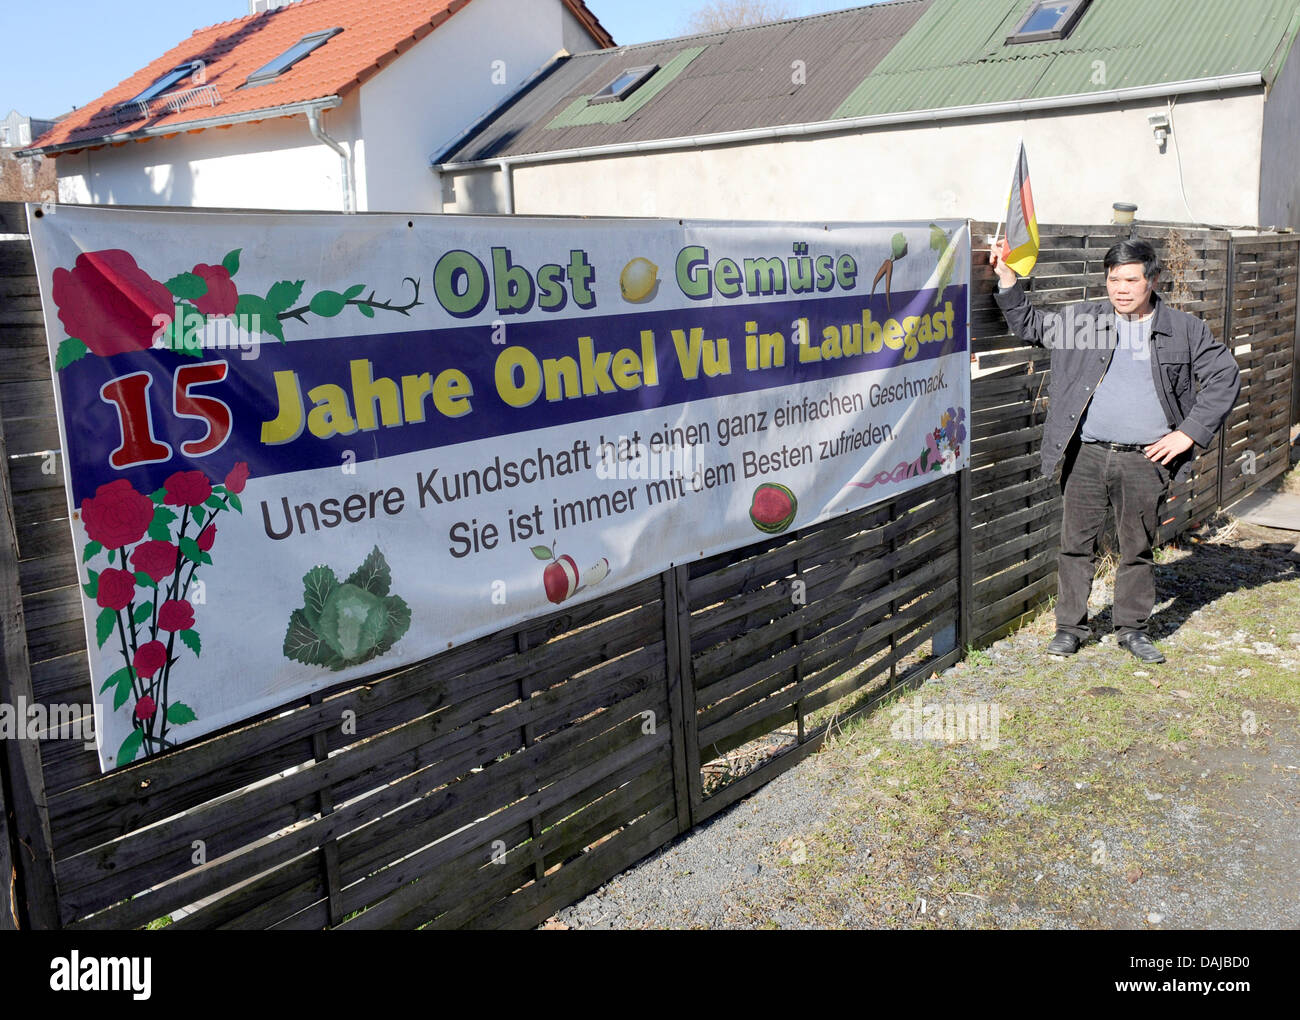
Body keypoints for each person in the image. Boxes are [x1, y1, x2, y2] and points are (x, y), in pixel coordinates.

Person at [990, 239, 1240, 663]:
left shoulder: (1183, 329)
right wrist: (1008, 279)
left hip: (1146, 460)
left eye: (1131, 279)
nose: (1121, 289)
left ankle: (1132, 629)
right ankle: (1069, 629)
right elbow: (1030, 325)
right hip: (1086, 454)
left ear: (1152, 280)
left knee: (1136, 549)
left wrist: (1188, 434)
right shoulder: (1084, 321)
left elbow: (1225, 375)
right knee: (1075, 546)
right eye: (1113, 280)